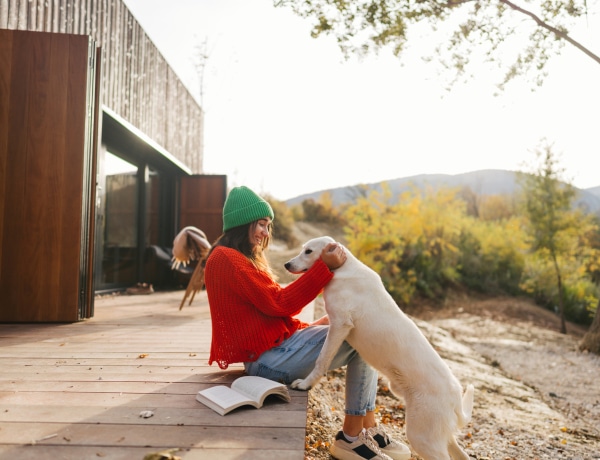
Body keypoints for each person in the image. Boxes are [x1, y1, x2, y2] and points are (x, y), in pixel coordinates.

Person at [204, 186, 411, 460]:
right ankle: (350, 437)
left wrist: (319, 325)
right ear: (243, 222)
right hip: (268, 360)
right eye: (262, 225)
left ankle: (367, 427)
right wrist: (324, 268)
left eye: (268, 226)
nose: (266, 233)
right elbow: (279, 303)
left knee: (359, 329)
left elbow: (267, 314)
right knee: (361, 340)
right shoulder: (227, 259)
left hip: (275, 351)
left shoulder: (238, 256)